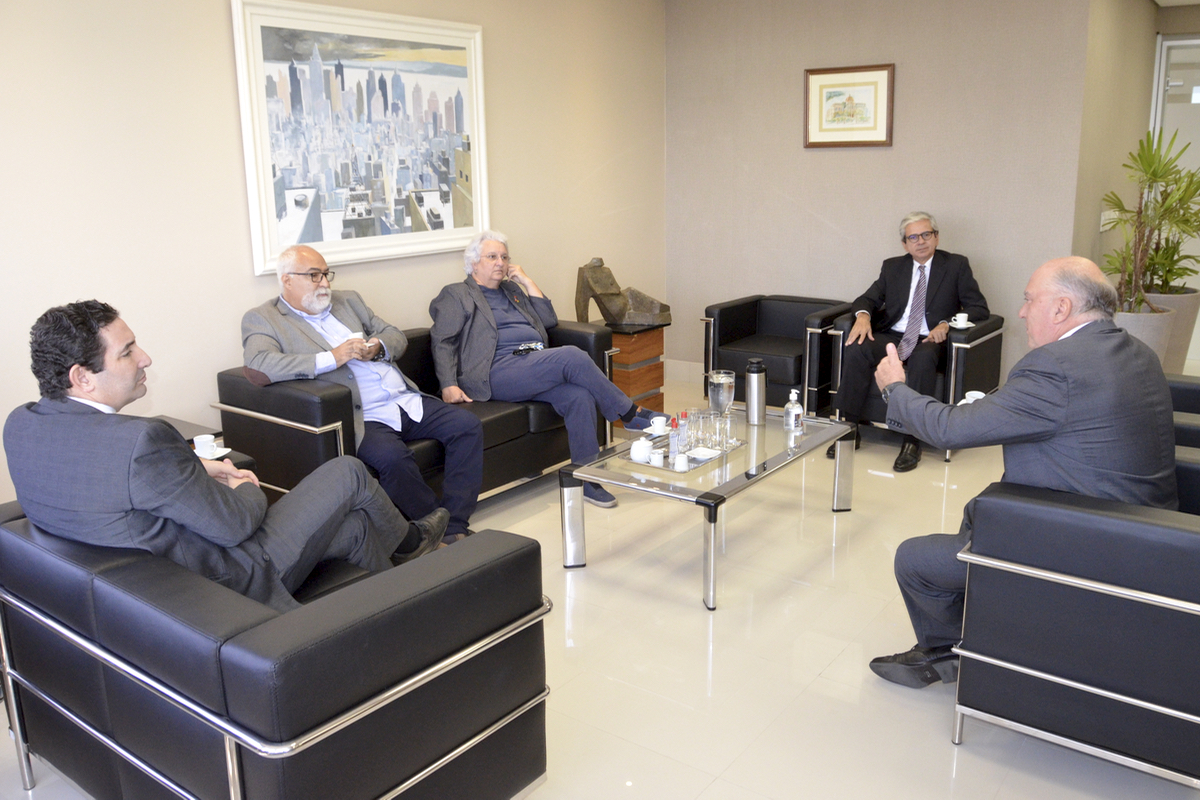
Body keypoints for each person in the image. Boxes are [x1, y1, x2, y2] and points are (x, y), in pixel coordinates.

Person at [4, 301, 448, 614]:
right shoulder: (140, 442)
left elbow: (112, 480)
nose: (145, 358)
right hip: (227, 581)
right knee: (349, 471)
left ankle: (396, 615)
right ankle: (410, 544)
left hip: (151, 584)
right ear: (82, 377)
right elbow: (235, 524)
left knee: (354, 527)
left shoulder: (22, 425)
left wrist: (194, 468)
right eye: (127, 352)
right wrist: (245, 487)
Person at [868, 257, 1177, 688]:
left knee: (915, 559)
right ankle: (980, 627)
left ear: (1061, 308)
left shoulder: (1056, 367)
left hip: (1086, 543)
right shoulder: (1137, 350)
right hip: (1148, 529)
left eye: (1030, 300)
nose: (1021, 311)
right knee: (978, 510)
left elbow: (949, 429)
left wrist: (894, 389)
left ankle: (954, 652)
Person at [243, 245, 484, 543]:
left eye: (326, 274)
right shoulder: (264, 318)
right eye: (314, 276)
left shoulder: (349, 301)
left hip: (403, 399)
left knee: (467, 426)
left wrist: (378, 347)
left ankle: (456, 522)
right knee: (393, 459)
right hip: (363, 413)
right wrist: (333, 357)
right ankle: (437, 528)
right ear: (287, 280)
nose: (325, 283)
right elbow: (257, 367)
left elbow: (394, 334)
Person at [429, 230, 668, 508]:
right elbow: (442, 341)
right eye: (492, 257)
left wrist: (527, 281)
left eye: (504, 257)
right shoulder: (456, 294)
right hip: (495, 369)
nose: (500, 263)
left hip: (531, 362)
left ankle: (585, 479)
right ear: (473, 264)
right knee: (571, 356)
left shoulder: (512, 291)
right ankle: (629, 413)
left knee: (579, 396)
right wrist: (448, 384)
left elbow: (548, 320)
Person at [830, 212, 990, 472]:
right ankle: (849, 429)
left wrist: (946, 324)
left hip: (929, 337)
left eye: (926, 234)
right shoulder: (893, 267)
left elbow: (978, 308)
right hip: (894, 334)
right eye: (913, 237)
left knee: (924, 357)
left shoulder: (956, 265)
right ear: (905, 244)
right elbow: (867, 299)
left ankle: (912, 440)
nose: (921, 241)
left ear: (936, 237)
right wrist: (862, 317)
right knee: (857, 347)